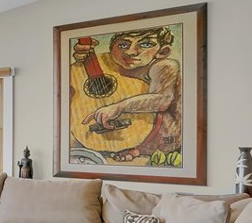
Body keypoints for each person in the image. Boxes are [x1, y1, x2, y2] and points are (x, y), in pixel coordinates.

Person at [72, 26, 181, 163]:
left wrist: (118, 107)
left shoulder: (165, 66)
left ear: (163, 52)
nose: (130, 52)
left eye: (146, 44)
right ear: (112, 49)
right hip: (130, 129)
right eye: (123, 45)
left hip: (164, 132)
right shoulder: (112, 64)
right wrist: (84, 62)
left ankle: (140, 150)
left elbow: (162, 100)